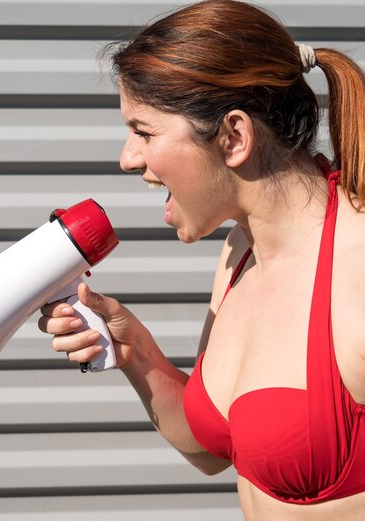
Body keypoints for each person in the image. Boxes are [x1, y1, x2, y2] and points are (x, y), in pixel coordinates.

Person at [38, 0, 365, 519]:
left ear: (233, 137)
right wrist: (136, 351)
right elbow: (214, 449)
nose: (128, 158)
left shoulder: (358, 268)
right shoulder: (241, 252)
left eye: (144, 131)